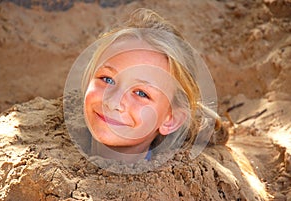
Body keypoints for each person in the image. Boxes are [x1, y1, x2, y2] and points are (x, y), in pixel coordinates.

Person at [80, 8, 221, 164]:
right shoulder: (51, 147)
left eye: (141, 93)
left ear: (171, 119)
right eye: (107, 79)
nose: (112, 102)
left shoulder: (176, 185)